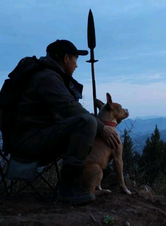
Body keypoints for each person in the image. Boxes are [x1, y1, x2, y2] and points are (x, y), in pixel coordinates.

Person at [10, 39, 121, 205]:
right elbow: (70, 109)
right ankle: (70, 187)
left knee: (88, 121)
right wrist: (102, 127)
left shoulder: (49, 76)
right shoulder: (48, 78)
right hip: (28, 142)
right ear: (66, 58)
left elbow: (68, 110)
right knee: (87, 123)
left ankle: (95, 176)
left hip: (34, 136)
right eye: (75, 59)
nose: (76, 65)